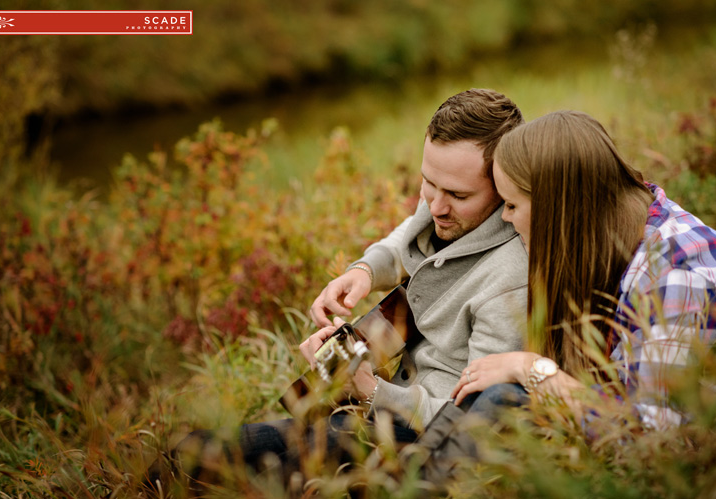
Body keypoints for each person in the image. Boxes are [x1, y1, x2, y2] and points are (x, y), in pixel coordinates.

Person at [154, 88, 530, 487]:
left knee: (272, 480)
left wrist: (369, 390)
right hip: (366, 409)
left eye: (457, 195)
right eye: (428, 183)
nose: (435, 206)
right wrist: (364, 271)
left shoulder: (509, 283)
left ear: (504, 186)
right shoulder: (445, 202)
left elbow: (470, 421)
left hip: (417, 443)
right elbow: (410, 234)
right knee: (189, 450)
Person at [415, 110, 716, 473]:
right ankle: (409, 479)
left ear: (557, 209)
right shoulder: (609, 224)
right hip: (621, 409)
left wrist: (532, 368)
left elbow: (653, 438)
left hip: (708, 457)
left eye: (510, 205)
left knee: (504, 395)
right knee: (491, 388)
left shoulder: (672, 273)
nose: (504, 219)